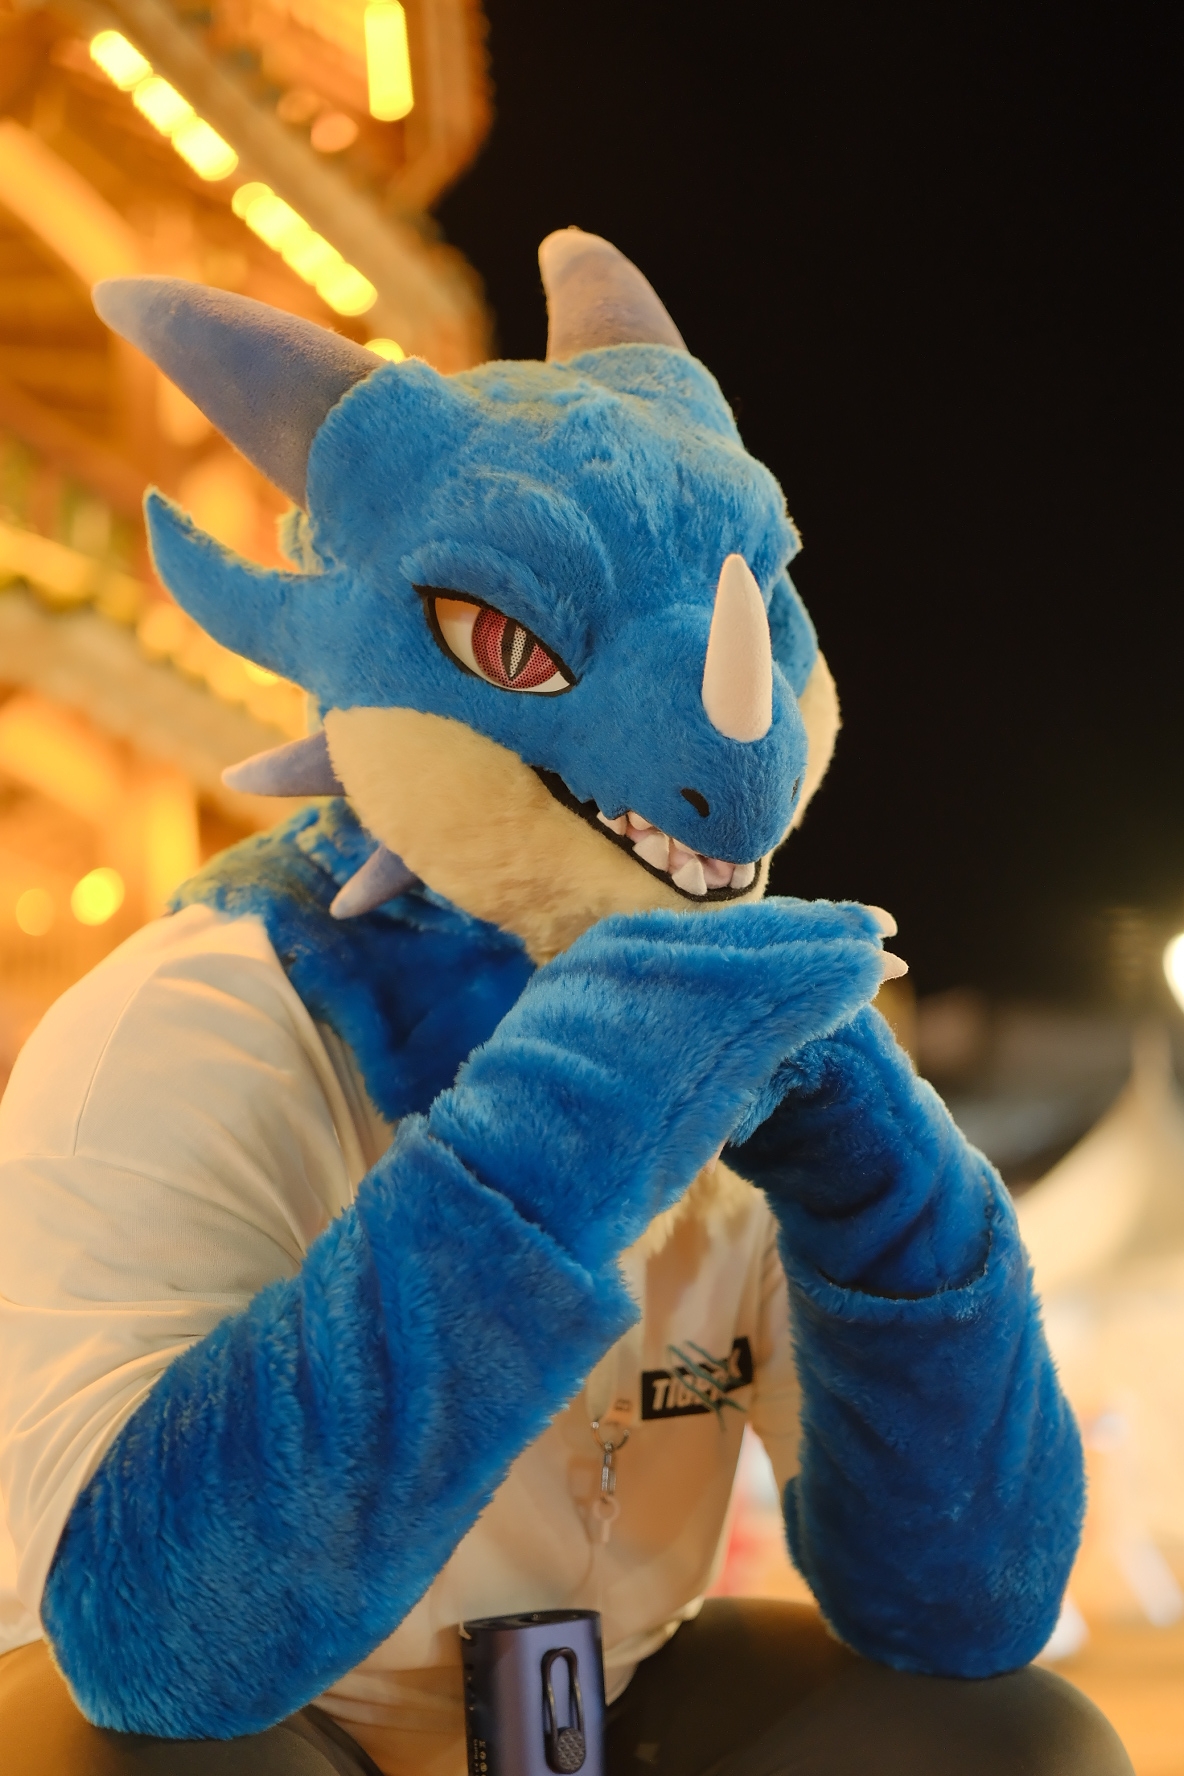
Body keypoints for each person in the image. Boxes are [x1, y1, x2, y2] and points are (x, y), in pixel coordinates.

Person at [0, 231, 1131, 1774]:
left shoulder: (758, 1040)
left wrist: (881, 1193)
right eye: (513, 640)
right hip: (266, 1722)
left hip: (601, 1705)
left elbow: (965, 1603)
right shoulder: (193, 1027)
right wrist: (564, 1130)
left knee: (1013, 1735)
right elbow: (158, 1643)